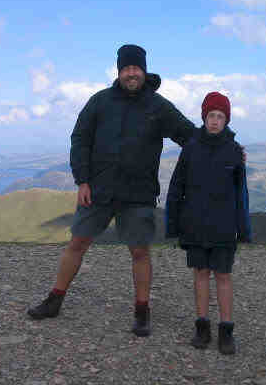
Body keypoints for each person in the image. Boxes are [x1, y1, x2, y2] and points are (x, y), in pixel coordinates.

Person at [27, 44, 215, 336]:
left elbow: (189, 135)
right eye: (126, 68)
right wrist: (83, 180)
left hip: (138, 193)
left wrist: (224, 146)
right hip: (98, 190)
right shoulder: (100, 102)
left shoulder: (158, 106)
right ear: (119, 72)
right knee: (77, 243)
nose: (131, 73)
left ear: (144, 71)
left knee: (140, 251)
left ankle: (142, 312)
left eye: (136, 68)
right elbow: (80, 139)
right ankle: (54, 300)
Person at [165, 91, 249, 355]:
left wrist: (243, 229)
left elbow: (241, 194)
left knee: (223, 276)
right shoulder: (190, 149)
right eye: (211, 115)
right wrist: (174, 224)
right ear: (204, 117)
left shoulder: (235, 152)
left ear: (226, 120)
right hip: (195, 224)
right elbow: (176, 186)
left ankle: (226, 331)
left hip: (224, 227)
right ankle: (202, 327)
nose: (214, 120)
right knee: (200, 274)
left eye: (220, 116)